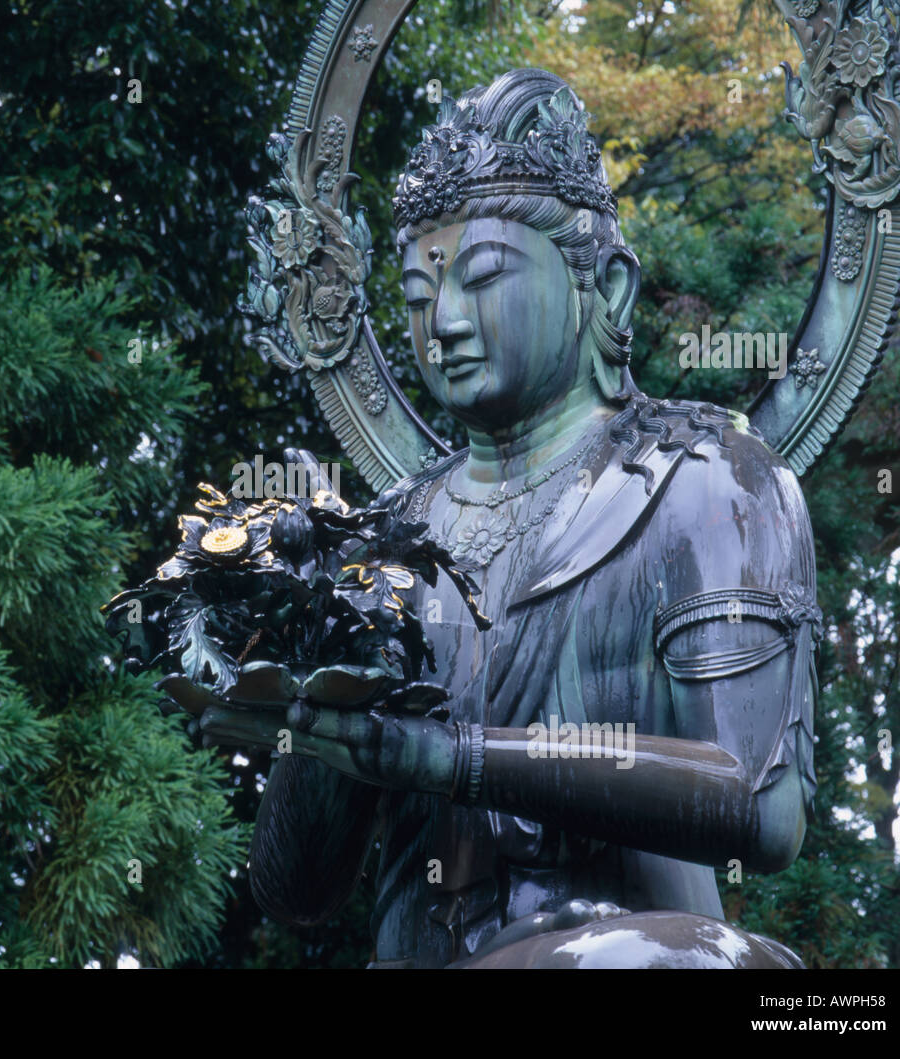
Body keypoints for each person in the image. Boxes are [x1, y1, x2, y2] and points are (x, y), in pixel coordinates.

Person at [202, 69, 820, 968]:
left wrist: (452, 757)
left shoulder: (710, 483)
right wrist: (308, 675)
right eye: (416, 298)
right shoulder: (383, 547)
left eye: (482, 280)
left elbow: (762, 808)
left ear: (604, 288)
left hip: (639, 952)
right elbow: (298, 890)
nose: (443, 323)